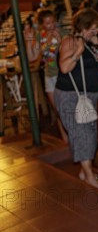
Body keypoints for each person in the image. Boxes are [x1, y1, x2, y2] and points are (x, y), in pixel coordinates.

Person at [55, 8, 98, 192]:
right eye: (93, 28)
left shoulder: (88, 43)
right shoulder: (70, 42)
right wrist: (77, 52)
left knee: (89, 134)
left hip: (87, 97)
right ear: (83, 26)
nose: (95, 31)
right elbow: (64, 67)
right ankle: (89, 176)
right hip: (72, 96)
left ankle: (85, 172)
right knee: (82, 135)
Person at [24, 8, 68, 142]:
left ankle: (72, 138)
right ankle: (65, 139)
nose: (52, 25)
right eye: (48, 23)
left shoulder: (63, 33)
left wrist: (59, 40)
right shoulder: (39, 36)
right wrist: (28, 40)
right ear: (42, 24)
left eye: (53, 22)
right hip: (49, 75)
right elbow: (32, 57)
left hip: (64, 75)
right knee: (58, 110)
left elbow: (68, 52)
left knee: (66, 109)